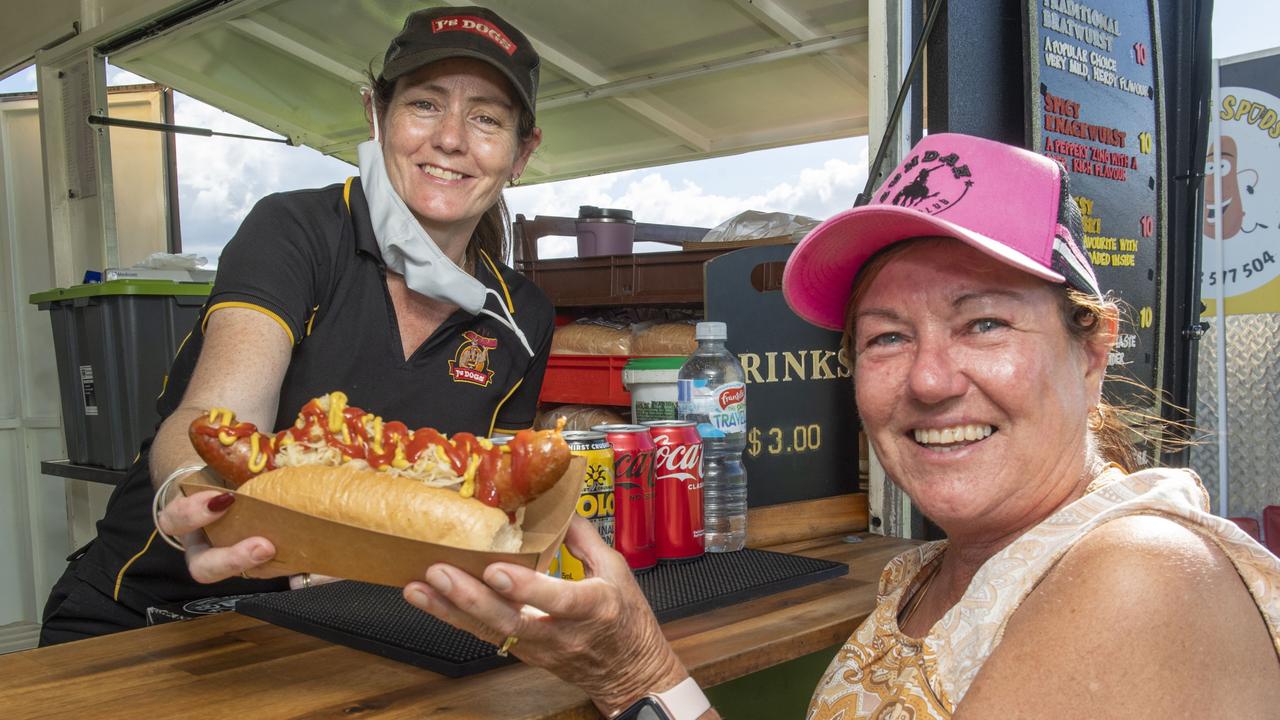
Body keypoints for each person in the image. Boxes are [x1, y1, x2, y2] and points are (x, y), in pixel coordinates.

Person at [402, 133, 1280, 719]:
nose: (930, 380)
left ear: (1092, 351)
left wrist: (638, 673)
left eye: (984, 323)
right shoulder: (936, 570)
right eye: (887, 337)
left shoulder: (1138, 579)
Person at [40, 5, 550, 646]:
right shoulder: (296, 231)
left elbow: (486, 489)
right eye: (424, 104)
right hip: (146, 623)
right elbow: (217, 414)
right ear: (376, 114)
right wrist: (193, 497)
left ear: (521, 151)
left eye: (486, 118)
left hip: (347, 636)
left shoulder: (523, 315)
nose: (450, 138)